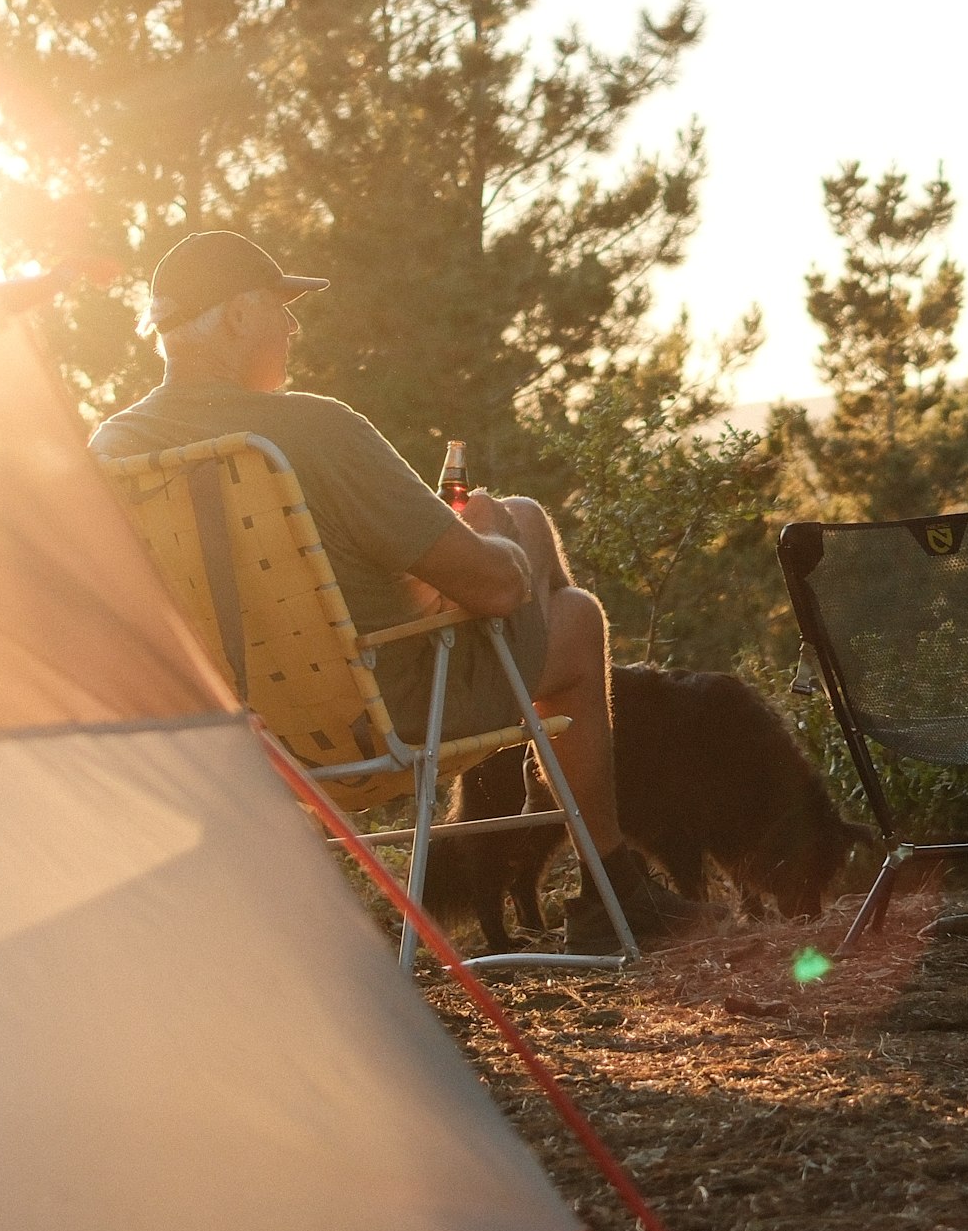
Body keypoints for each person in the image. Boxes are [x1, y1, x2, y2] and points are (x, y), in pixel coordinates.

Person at [92, 229, 698, 947]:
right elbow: (495, 589)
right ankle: (612, 894)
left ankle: (599, 888)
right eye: (280, 307)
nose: (293, 325)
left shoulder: (114, 447)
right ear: (235, 317)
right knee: (569, 608)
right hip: (383, 713)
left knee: (521, 540)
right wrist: (498, 538)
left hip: (243, 734)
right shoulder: (317, 430)